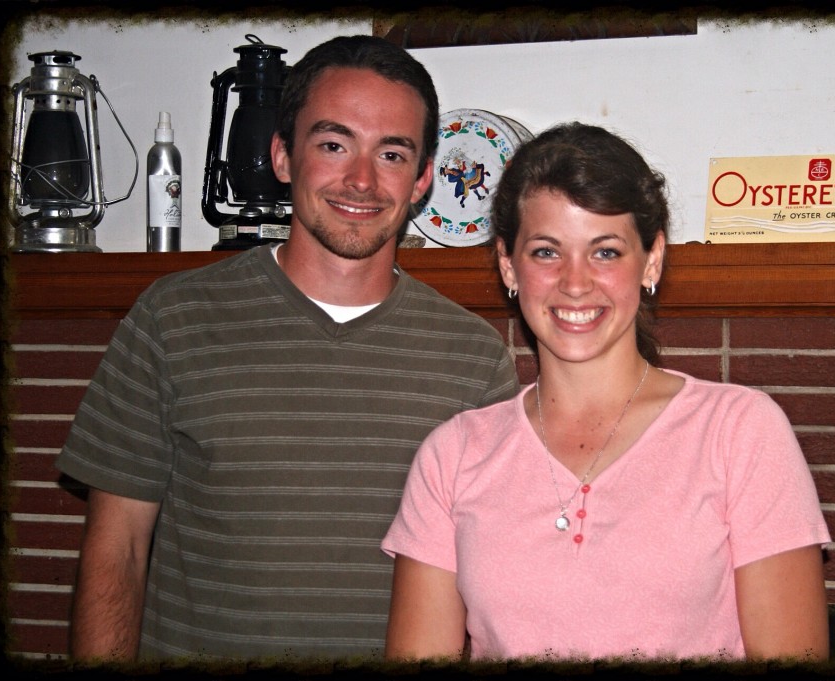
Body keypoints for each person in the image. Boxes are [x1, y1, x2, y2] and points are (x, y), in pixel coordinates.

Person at [56, 35, 518, 663]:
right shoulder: (171, 320)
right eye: (333, 145)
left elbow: (492, 580)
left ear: (423, 178)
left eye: (391, 153)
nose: (361, 179)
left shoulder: (473, 357)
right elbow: (118, 553)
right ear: (282, 155)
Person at [382, 122, 830, 663]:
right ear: (508, 264)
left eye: (605, 252)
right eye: (547, 252)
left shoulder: (740, 432)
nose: (575, 283)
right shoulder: (453, 456)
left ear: (652, 259)